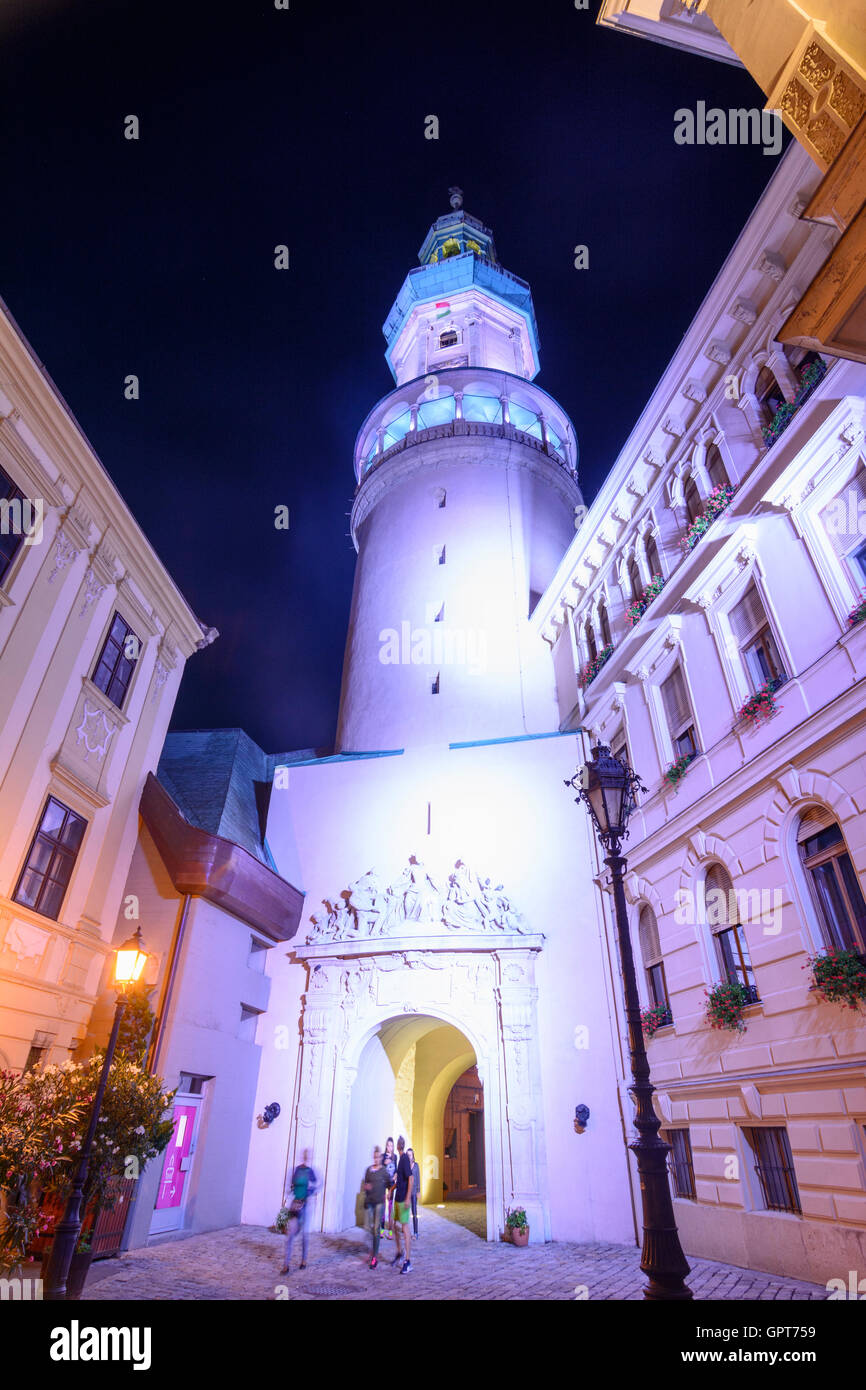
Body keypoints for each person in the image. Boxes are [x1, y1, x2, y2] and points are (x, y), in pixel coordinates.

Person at [279, 1149, 319, 1274]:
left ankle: (304, 1260)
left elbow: (317, 1184)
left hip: (305, 1204)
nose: (306, 1157)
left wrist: (310, 1192)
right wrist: (289, 1194)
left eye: (308, 1155)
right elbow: (290, 1185)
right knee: (290, 1234)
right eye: (305, 1155)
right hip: (295, 1204)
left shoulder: (311, 1171)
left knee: (304, 1234)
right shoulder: (296, 1170)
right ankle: (286, 1265)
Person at [362, 1145, 389, 1268]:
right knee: (368, 1227)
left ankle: (375, 1257)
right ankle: (373, 1249)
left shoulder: (384, 1171)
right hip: (370, 1202)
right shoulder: (368, 1170)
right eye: (375, 1157)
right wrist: (366, 1187)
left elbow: (389, 1183)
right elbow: (366, 1183)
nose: (376, 1159)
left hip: (379, 1203)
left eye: (378, 1157)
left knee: (376, 1229)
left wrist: (388, 1194)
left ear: (380, 1158)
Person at [391, 1135, 414, 1274]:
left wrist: (408, 1198)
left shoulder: (404, 1159)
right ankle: (399, 1252)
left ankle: (408, 1261)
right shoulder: (400, 1159)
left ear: (399, 1146)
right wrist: (391, 1190)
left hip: (403, 1199)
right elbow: (400, 1180)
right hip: (397, 1198)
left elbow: (410, 1178)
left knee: (405, 1229)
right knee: (394, 1225)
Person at [382, 1136, 397, 1239]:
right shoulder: (383, 1156)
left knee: (390, 1208)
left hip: (391, 1183)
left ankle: (390, 1232)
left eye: (391, 1145)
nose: (389, 1147)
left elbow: (396, 1169)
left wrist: (396, 1175)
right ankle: (382, 1230)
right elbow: (381, 1167)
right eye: (388, 1145)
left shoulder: (395, 1157)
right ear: (386, 1146)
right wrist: (384, 1162)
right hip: (383, 1183)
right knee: (382, 1207)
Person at [407, 1147, 421, 1240]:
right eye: (407, 1155)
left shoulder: (416, 1166)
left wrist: (418, 1191)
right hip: (407, 1192)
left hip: (414, 1192)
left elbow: (418, 1178)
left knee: (414, 1213)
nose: (409, 1156)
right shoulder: (405, 1166)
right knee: (405, 1213)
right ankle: (406, 1232)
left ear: (413, 1156)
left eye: (410, 1155)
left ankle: (416, 1232)